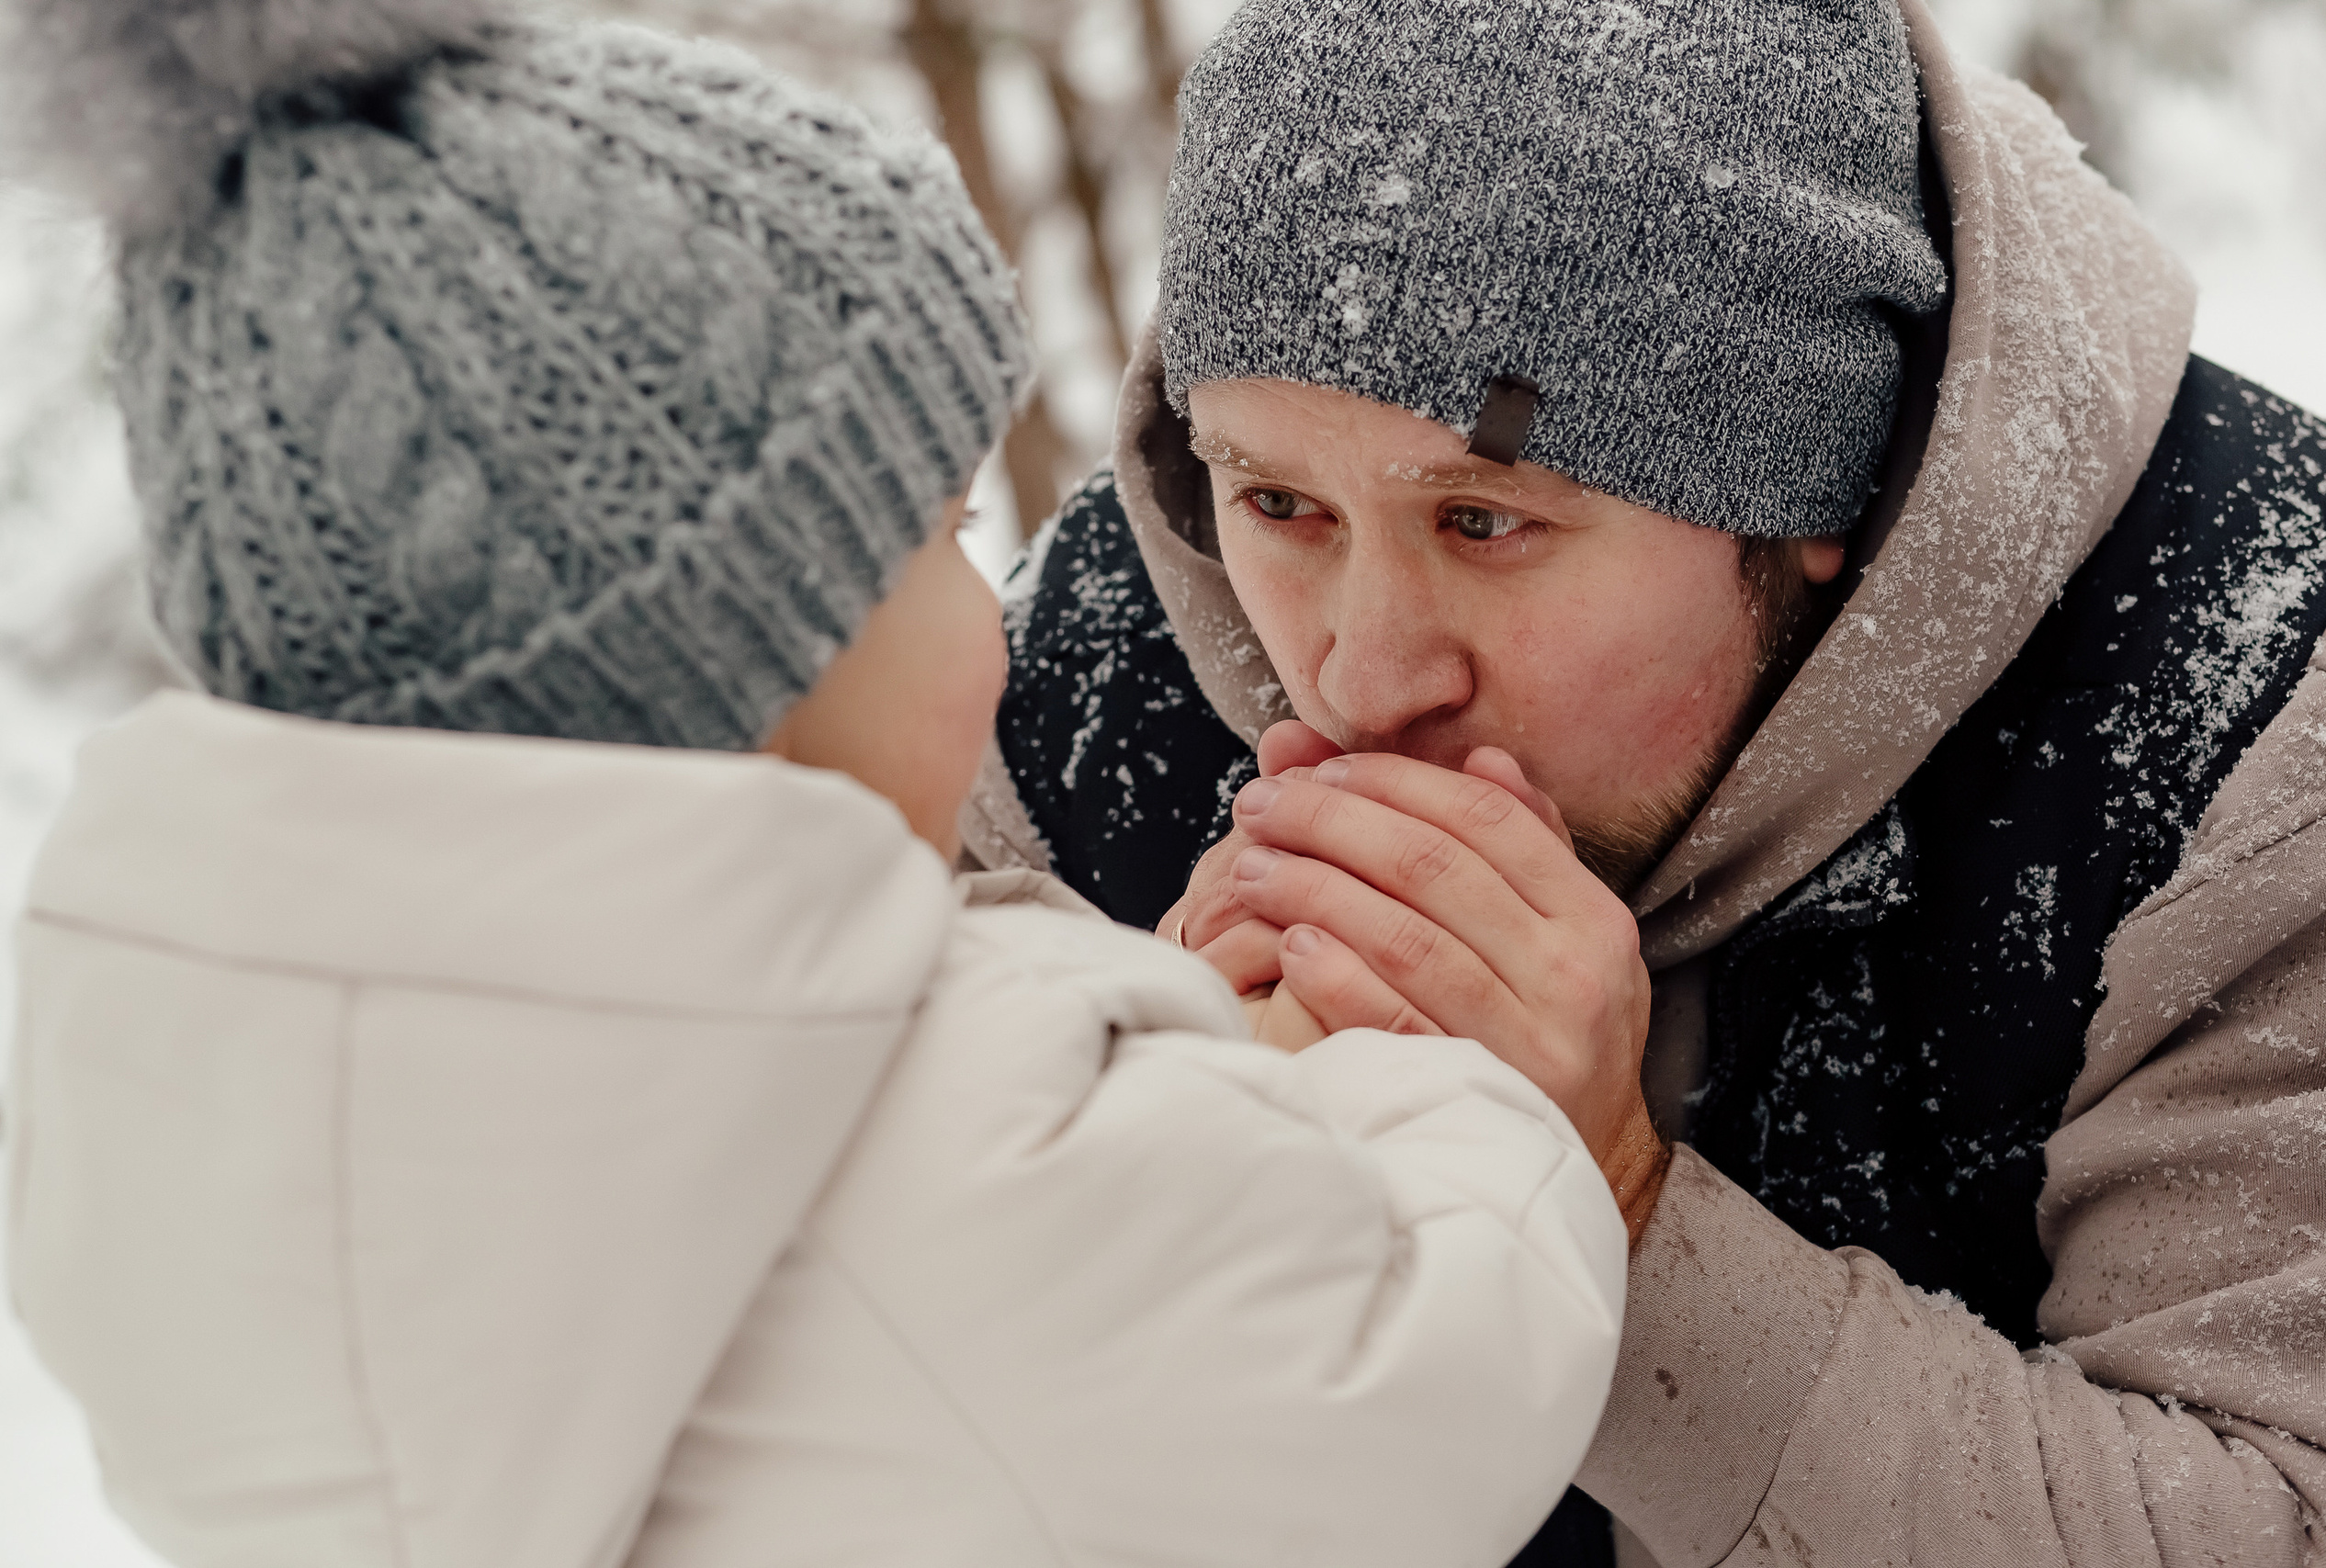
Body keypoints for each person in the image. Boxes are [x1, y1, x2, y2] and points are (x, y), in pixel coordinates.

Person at [0, 5, 1630, 1564]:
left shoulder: (185, 1143)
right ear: (748, 669)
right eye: (941, 545)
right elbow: (1416, 1396)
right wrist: (1443, 1087)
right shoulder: (971, 1142)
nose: (998, 620)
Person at [964, 0, 2326, 1562]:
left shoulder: (2260, 709)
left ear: (1828, 486)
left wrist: (1618, 1215)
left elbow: (2284, 1521)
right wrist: (1113, 1167)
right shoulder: (1083, 670)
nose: (1355, 674)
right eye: (1280, 503)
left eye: (1484, 522)